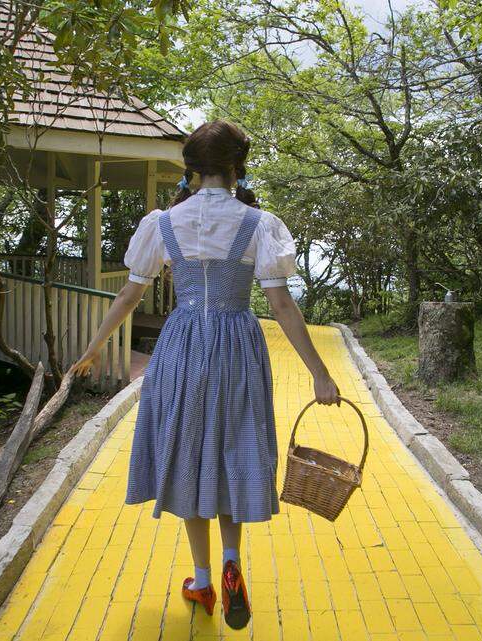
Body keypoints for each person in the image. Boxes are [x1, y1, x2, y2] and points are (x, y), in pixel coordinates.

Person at [69, 119, 340, 630]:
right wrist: (320, 374)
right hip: (238, 344)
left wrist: (92, 348)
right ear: (238, 167)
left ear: (190, 169)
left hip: (184, 346)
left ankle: (201, 579)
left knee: (190, 451)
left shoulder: (163, 223)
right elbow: (281, 304)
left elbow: (129, 295)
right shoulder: (259, 224)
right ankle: (233, 562)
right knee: (235, 447)